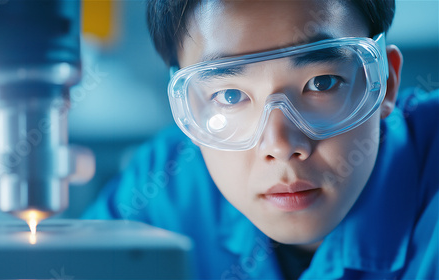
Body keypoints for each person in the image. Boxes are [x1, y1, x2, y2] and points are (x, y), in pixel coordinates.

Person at [83, 0, 439, 279]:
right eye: (231, 96)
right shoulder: (163, 189)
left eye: (322, 83)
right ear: (188, 109)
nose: (281, 146)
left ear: (386, 83)